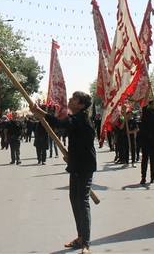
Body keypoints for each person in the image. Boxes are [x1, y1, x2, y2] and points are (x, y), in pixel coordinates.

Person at [31, 92, 96, 254]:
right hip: (75, 165)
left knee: (82, 202)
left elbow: (59, 123)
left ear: (81, 105)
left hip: (84, 166)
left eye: (74, 99)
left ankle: (86, 243)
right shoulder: (76, 118)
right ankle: (80, 237)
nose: (70, 100)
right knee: (74, 199)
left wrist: (41, 112)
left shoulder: (81, 119)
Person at [138, 104, 154, 185]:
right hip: (149, 140)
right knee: (149, 160)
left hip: (150, 141)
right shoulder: (149, 113)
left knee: (149, 160)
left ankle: (148, 177)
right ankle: (148, 177)